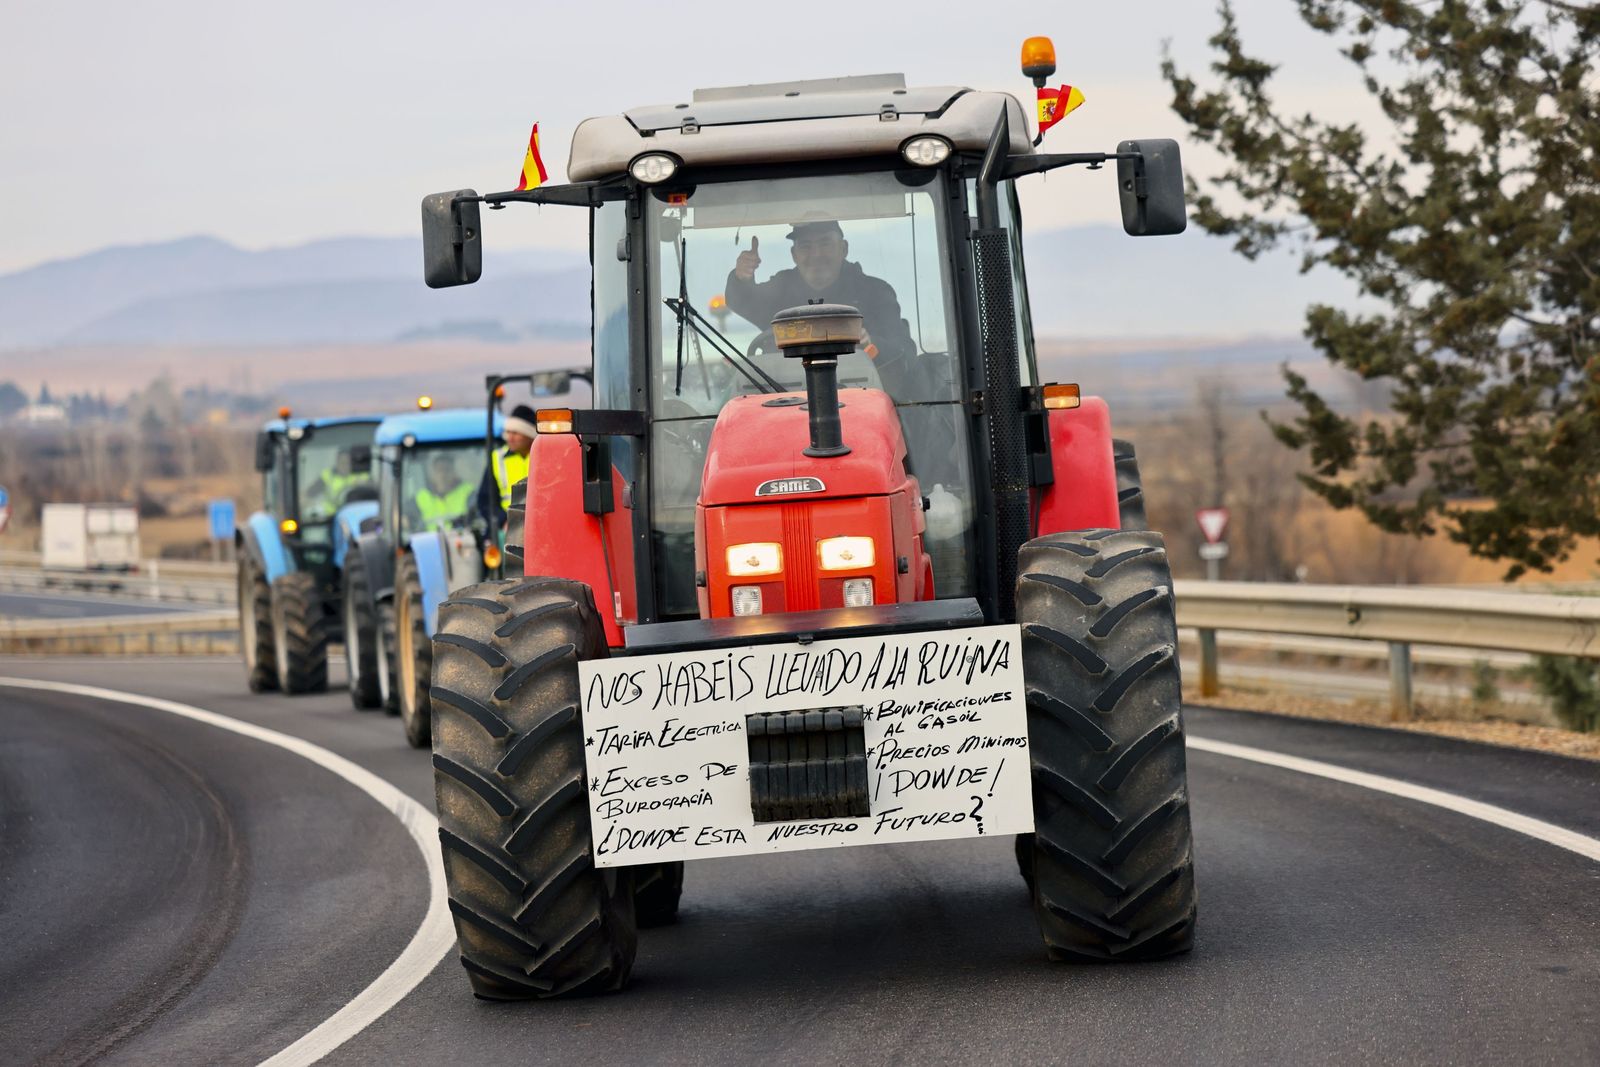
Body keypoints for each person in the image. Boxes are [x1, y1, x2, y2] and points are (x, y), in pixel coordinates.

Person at [724, 220, 916, 367]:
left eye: (825, 244)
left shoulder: (876, 293)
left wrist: (870, 343)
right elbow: (742, 300)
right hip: (785, 402)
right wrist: (741, 279)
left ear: (844, 249)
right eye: (806, 246)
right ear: (794, 255)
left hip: (865, 402)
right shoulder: (779, 291)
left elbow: (905, 353)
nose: (816, 254)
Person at [477, 404, 536, 529]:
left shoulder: (544, 457)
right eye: (508, 432)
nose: (510, 437)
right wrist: (503, 521)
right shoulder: (497, 459)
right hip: (509, 529)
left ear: (530, 435)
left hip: (541, 524)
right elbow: (485, 501)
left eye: (516, 433)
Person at [414, 453, 474, 532]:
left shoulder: (468, 493)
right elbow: (405, 519)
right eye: (439, 470)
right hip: (430, 542)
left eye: (447, 470)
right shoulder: (421, 497)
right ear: (433, 474)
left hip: (463, 542)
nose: (443, 475)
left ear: (454, 472)